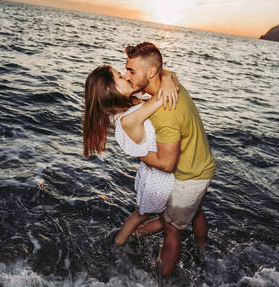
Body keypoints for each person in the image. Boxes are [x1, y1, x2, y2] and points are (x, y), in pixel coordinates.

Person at [123, 42, 216, 277]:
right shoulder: (169, 85)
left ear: (152, 72)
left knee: (172, 229)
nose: (127, 76)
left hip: (190, 177)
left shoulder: (165, 111)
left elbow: (167, 164)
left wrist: (138, 152)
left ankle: (163, 279)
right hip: (202, 166)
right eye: (126, 69)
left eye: (131, 71)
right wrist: (169, 76)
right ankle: (204, 250)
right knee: (195, 211)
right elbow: (167, 73)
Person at [83, 64, 179, 246]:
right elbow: (163, 96)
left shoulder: (131, 101)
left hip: (153, 173)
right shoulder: (129, 116)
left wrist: (166, 76)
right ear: (111, 90)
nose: (126, 76)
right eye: (119, 76)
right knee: (167, 219)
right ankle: (126, 241)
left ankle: (122, 242)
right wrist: (168, 79)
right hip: (159, 179)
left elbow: (161, 80)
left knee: (143, 214)